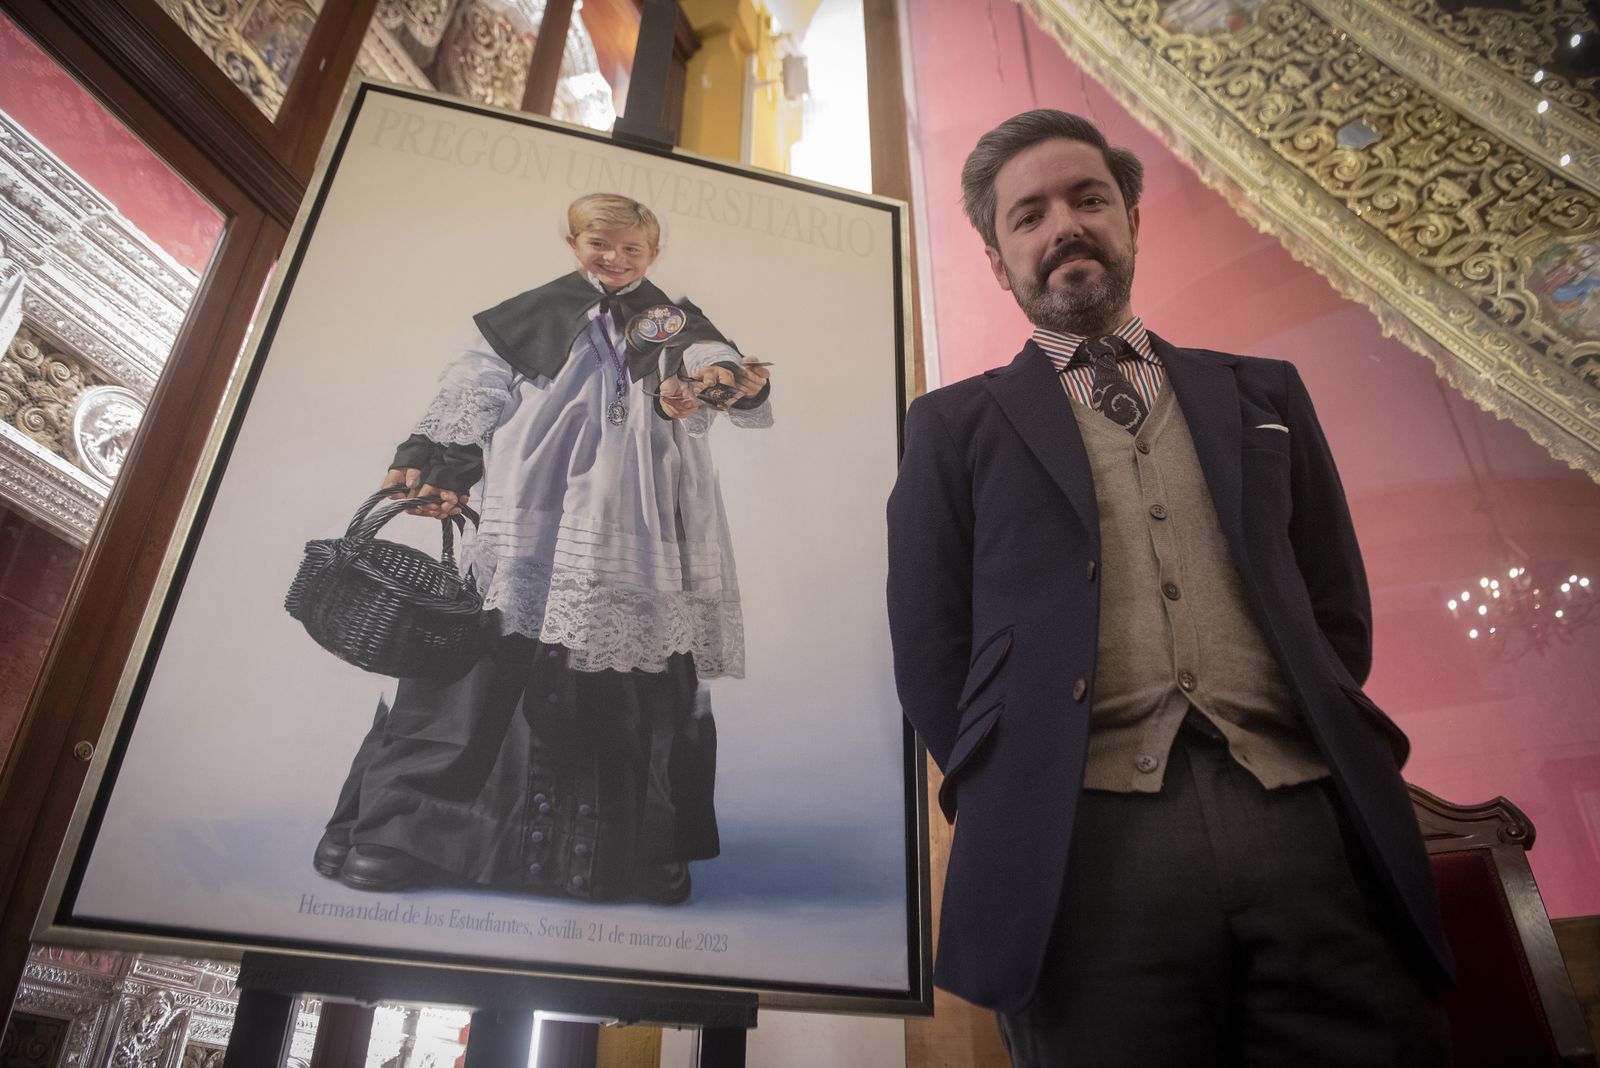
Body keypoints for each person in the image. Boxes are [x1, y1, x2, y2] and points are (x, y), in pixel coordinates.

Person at [886, 110, 1451, 1066]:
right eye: (1029, 215)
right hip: (1081, 853)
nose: (1064, 225)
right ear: (998, 261)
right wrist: (1020, 778)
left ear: (1133, 221)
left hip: (1308, 830)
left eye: (1089, 199)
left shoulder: (1265, 392)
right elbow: (931, 651)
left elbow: (1333, 611)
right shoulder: (951, 428)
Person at [313, 193, 772, 905]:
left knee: (639, 657)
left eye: (631, 249)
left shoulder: (672, 319)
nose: (614, 259)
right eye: (600, 244)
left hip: (642, 513)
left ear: (653, 254)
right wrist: (446, 465)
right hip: (538, 496)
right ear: (573, 244)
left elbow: (707, 362)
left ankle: (641, 842)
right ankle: (409, 827)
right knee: (491, 650)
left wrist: (725, 383)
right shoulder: (531, 311)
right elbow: (475, 386)